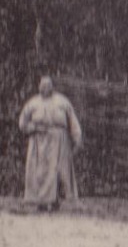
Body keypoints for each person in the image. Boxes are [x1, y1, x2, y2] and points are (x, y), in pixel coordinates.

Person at [18, 76, 83, 212]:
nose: (45, 88)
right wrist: (33, 128)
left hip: (59, 139)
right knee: (40, 170)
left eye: (48, 85)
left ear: (52, 87)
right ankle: (39, 201)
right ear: (39, 87)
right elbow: (22, 123)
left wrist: (77, 138)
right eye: (42, 85)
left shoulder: (62, 101)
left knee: (59, 170)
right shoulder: (33, 103)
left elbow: (72, 120)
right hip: (38, 140)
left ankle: (57, 201)